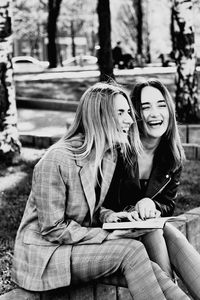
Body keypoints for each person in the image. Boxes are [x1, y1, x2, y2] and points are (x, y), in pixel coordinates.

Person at [11, 82, 189, 300]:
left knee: (151, 268)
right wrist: (106, 234)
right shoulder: (56, 159)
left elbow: (92, 209)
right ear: (100, 116)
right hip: (46, 256)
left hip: (77, 246)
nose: (131, 120)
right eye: (121, 113)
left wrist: (112, 216)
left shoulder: (107, 156)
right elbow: (53, 230)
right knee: (131, 251)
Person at [101, 78, 200, 299]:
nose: (155, 113)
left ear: (169, 111)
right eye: (146, 107)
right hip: (111, 233)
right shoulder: (117, 149)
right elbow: (98, 202)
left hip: (147, 229)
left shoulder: (172, 156)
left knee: (161, 230)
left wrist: (152, 205)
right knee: (155, 231)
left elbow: (168, 205)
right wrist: (132, 210)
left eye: (161, 105)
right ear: (136, 114)